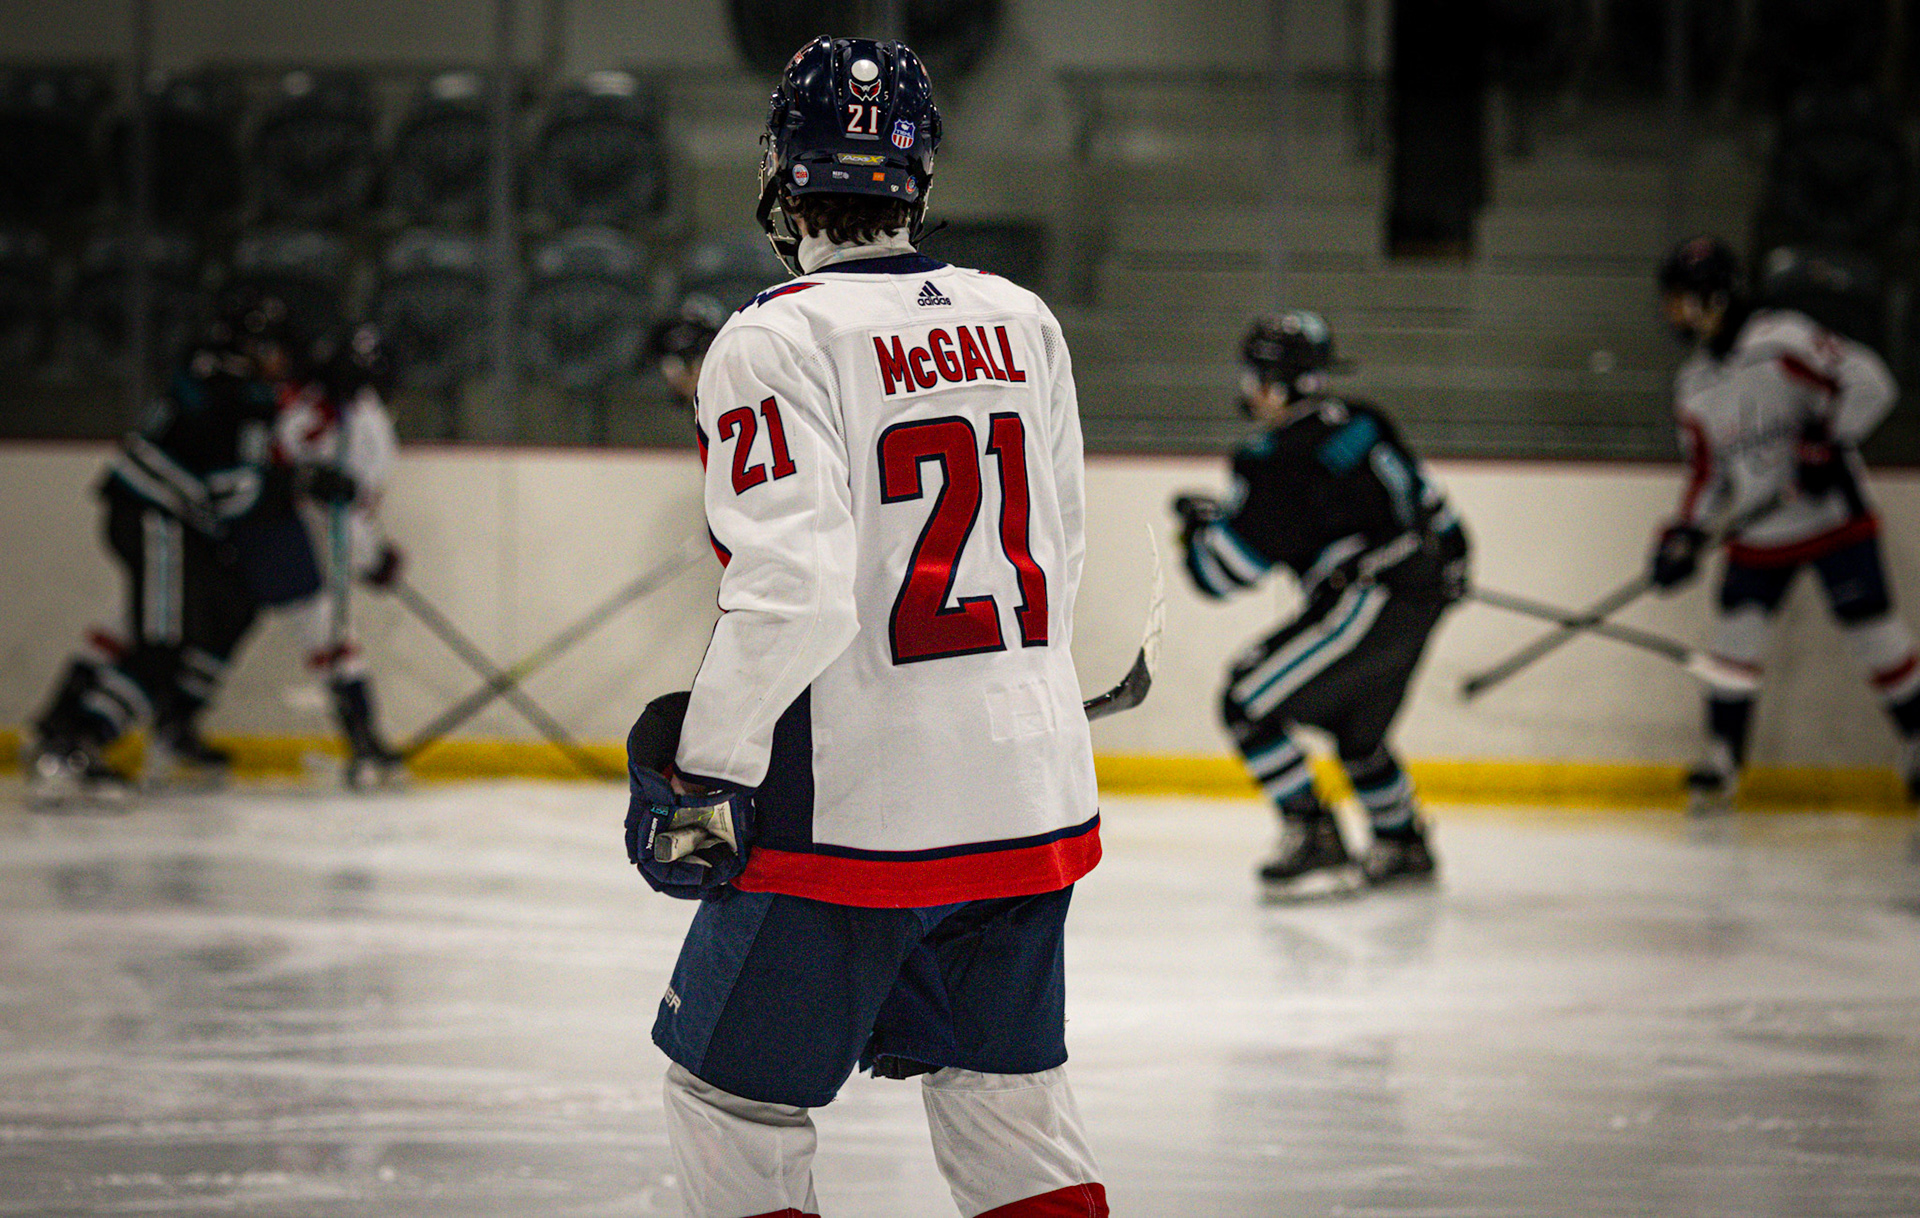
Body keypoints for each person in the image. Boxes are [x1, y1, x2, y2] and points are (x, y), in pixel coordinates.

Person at [627, 36, 1109, 1218]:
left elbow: (794, 588)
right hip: (1029, 790)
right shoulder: (1021, 317)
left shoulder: (772, 337)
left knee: (729, 1100)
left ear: (780, 178)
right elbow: (1062, 551)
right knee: (1010, 1110)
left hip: (854, 810)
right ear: (919, 176)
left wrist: (707, 769)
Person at [1172, 311, 1469, 897]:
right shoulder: (1364, 420)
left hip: (1365, 601)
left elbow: (1224, 574)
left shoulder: (1274, 458)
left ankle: (1314, 835)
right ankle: (1402, 842)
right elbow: (1438, 514)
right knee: (1357, 728)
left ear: (1272, 383)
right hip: (1421, 596)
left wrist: (1199, 532)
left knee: (1246, 702)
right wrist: (1450, 565)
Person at [1648, 235, 1920, 809]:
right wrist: (1685, 531)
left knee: (1875, 634)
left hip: (1833, 520)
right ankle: (1723, 759)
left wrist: (1829, 439)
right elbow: (1707, 473)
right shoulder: (1694, 386)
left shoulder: (1782, 341)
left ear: (1714, 297)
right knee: (1732, 642)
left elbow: (1871, 382)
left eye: (1680, 298)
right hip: (1760, 534)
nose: (1673, 312)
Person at [25, 295, 289, 805]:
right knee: (162, 644)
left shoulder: (207, 372)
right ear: (253, 348)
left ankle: (66, 726)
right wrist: (290, 483)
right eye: (273, 348)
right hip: (158, 519)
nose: (281, 361)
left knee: (158, 628)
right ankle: (76, 743)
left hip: (150, 516)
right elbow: (230, 492)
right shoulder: (242, 396)